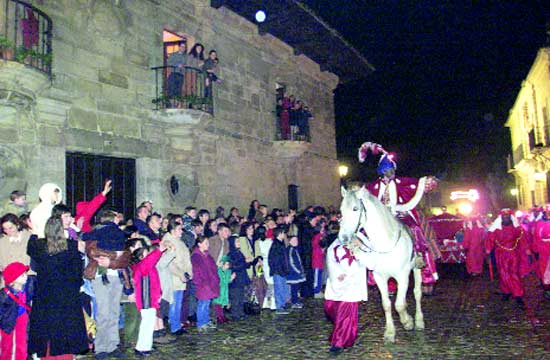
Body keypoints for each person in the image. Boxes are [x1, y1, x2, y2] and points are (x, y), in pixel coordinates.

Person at [360, 142, 438, 295]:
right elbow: (364, 197)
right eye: (388, 171)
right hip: (381, 218)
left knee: (415, 229)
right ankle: (369, 267)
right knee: (364, 234)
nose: (391, 174)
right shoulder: (372, 187)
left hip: (400, 214)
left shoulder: (401, 183)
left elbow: (417, 183)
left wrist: (427, 181)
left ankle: (419, 256)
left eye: (392, 171)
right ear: (382, 172)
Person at [27, 217, 89, 358]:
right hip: (66, 294)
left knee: (46, 328)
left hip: (45, 294)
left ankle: (46, 354)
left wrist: (34, 233)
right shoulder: (72, 247)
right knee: (65, 328)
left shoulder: (38, 247)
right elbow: (77, 272)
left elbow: (30, 249)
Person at [324, 238, 369, 354]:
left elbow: (370, 261)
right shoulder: (336, 243)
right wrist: (338, 272)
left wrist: (361, 247)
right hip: (338, 283)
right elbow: (330, 258)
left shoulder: (361, 242)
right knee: (331, 309)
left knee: (345, 315)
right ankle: (346, 336)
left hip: (352, 286)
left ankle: (338, 343)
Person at [130, 241, 171, 356]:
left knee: (149, 323)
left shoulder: (148, 266)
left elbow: (155, 282)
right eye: (147, 254)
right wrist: (158, 251)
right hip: (145, 299)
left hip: (150, 298)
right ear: (141, 257)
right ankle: (141, 347)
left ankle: (146, 346)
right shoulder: (141, 266)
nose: (150, 255)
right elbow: (149, 261)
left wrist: (159, 294)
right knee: (146, 324)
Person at [486, 208, 528, 308]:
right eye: (504, 217)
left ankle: (518, 294)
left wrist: (526, 249)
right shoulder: (496, 228)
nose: (506, 218)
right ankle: (506, 291)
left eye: (507, 216)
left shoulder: (517, 228)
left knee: (513, 273)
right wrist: (488, 249)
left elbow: (522, 239)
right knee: (503, 273)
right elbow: (490, 239)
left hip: (513, 253)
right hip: (500, 253)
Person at [162, 219, 193, 334]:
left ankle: (177, 324)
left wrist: (189, 272)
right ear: (173, 230)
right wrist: (180, 274)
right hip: (173, 277)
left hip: (182, 277)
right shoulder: (168, 242)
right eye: (179, 229)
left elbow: (186, 259)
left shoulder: (180, 241)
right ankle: (174, 326)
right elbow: (170, 262)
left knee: (178, 302)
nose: (182, 232)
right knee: (174, 302)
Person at [0, 262, 30, 360]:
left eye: (25, 274)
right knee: (7, 345)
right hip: (8, 322)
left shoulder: (26, 288)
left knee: (22, 343)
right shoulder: (5, 294)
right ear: (13, 280)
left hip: (22, 318)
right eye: (22, 275)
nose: (26, 277)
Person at [191, 236, 219, 333]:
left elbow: (213, 269)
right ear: (199, 244)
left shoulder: (208, 256)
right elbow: (195, 272)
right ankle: (201, 323)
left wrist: (215, 279)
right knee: (202, 304)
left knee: (206, 304)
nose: (208, 245)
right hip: (203, 284)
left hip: (209, 284)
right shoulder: (196, 257)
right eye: (206, 243)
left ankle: (206, 321)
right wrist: (199, 282)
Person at [228, 236, 256, 320]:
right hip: (236, 279)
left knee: (240, 296)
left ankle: (240, 312)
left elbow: (244, 265)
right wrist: (245, 262)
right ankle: (235, 314)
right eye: (237, 242)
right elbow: (234, 266)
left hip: (241, 278)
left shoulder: (239, 252)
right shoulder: (231, 254)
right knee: (235, 298)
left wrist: (250, 262)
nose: (239, 243)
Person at [268, 226, 290, 315]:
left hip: (281, 270)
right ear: (280, 234)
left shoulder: (279, 244)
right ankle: (279, 307)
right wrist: (280, 269)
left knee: (282, 288)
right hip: (279, 271)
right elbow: (275, 260)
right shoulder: (276, 245)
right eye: (283, 233)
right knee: (279, 289)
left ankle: (282, 305)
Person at [532, 204, 550, 301]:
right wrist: (536, 250)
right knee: (546, 270)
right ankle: (547, 289)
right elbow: (536, 237)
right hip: (544, 249)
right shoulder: (540, 223)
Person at [212, 256, 233, 324]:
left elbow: (227, 281)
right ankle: (219, 317)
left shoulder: (228, 272)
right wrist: (230, 279)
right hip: (219, 289)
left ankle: (222, 316)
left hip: (224, 290)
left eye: (228, 264)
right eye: (226, 264)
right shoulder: (218, 271)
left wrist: (230, 279)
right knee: (218, 304)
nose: (227, 266)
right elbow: (222, 281)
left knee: (221, 305)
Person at [286, 235, 306, 309]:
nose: (296, 242)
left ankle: (296, 300)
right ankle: (294, 301)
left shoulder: (294, 249)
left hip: (296, 272)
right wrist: (298, 270)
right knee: (294, 288)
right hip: (293, 273)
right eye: (294, 240)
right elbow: (291, 262)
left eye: (296, 240)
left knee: (296, 287)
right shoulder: (290, 249)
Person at [167, 41, 187, 106]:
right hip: (174, 73)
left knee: (178, 89)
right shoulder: (173, 55)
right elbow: (169, 62)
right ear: (179, 47)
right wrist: (177, 65)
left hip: (181, 74)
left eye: (184, 47)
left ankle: (176, 104)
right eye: (182, 46)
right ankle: (170, 104)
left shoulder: (185, 56)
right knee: (172, 89)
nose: (183, 48)